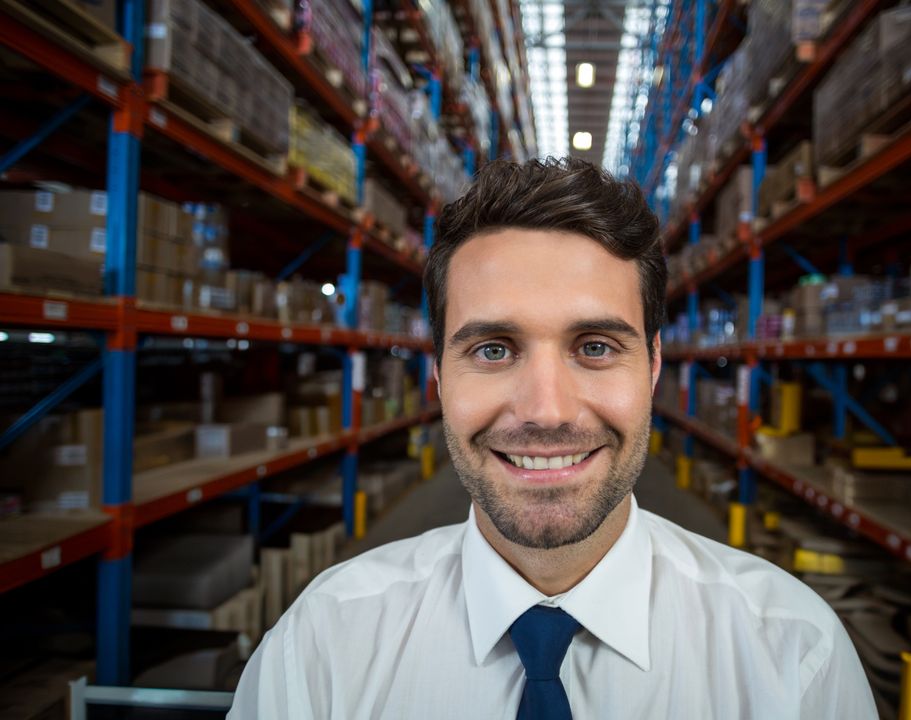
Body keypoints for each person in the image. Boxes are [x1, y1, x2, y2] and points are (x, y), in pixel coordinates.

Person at [229, 158, 877, 719]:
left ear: (652, 367)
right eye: (492, 349)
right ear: (438, 375)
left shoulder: (794, 659)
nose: (546, 410)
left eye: (595, 347)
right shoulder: (321, 650)